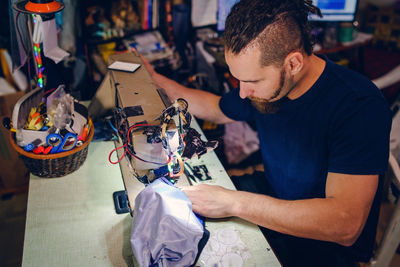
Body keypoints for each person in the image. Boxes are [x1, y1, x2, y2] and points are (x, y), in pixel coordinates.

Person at [140, 0, 392, 266]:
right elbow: (217, 107)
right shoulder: (270, 86)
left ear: (293, 63)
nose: (242, 92)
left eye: (251, 81)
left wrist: (234, 203)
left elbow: (345, 224)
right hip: (272, 192)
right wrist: (156, 79)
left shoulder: (358, 106)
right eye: (238, 79)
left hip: (321, 245)